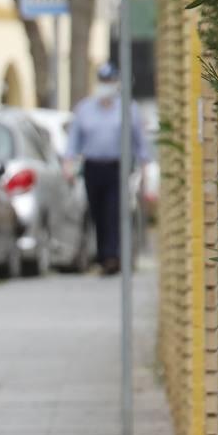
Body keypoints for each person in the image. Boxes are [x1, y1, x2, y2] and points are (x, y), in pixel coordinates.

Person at [66, 62, 148, 275]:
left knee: (114, 210)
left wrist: (144, 164)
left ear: (117, 83)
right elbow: (74, 140)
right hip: (92, 167)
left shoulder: (128, 108)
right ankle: (104, 256)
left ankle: (113, 256)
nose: (106, 85)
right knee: (97, 212)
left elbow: (139, 140)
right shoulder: (85, 108)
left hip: (118, 167)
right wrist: (68, 162)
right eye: (103, 81)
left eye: (110, 81)